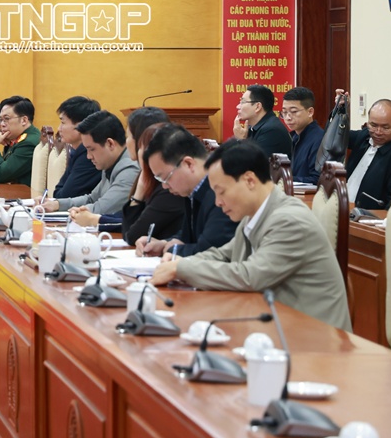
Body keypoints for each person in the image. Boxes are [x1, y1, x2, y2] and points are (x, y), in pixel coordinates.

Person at [149, 140, 351, 331]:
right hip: (278, 327)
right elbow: (223, 255)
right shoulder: (254, 215)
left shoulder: (289, 220)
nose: (217, 202)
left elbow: (250, 276)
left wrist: (182, 268)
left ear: (249, 180)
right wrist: (177, 262)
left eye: (221, 192)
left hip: (315, 339)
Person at [136, 124, 237, 256]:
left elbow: (210, 251)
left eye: (166, 178)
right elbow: (187, 238)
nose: (165, 186)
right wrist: (164, 244)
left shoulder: (220, 191)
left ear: (188, 164)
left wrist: (171, 249)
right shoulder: (193, 190)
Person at [43, 111, 139, 225]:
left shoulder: (130, 169)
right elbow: (92, 198)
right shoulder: (110, 163)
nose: (88, 156)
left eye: (91, 149)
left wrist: (76, 212)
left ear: (110, 144)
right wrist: (57, 204)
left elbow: (102, 209)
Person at [121, 121, 185, 244]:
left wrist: (138, 195)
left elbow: (132, 235)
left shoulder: (169, 191)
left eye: (141, 148)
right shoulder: (157, 184)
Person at [337, 90, 391, 209]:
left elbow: (390, 204)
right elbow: (334, 137)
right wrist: (340, 110)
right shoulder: (364, 136)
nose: (378, 132)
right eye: (373, 125)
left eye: (385, 127)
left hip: (370, 216)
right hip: (343, 208)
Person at [50, 96, 102, 199]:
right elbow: (58, 191)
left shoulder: (89, 156)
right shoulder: (78, 151)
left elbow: (65, 196)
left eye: (63, 123)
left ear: (80, 126)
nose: (59, 128)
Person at [231, 84, 293, 158]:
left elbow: (253, 163)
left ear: (257, 107)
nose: (237, 106)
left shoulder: (271, 131)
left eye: (243, 102)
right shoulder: (252, 128)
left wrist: (240, 140)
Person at [282, 87, 324, 184]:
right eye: (284, 112)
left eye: (293, 112)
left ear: (310, 112)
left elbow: (317, 179)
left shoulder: (319, 139)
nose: (288, 117)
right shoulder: (293, 136)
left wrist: (284, 180)